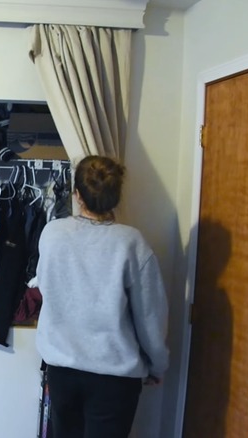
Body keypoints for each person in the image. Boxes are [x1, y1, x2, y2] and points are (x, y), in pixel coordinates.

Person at [35, 155, 169, 438]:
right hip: (114, 377)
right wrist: (157, 365)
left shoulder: (53, 233)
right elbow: (150, 315)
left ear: (77, 195)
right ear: (116, 197)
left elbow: (46, 287)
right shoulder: (131, 242)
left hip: (62, 370)